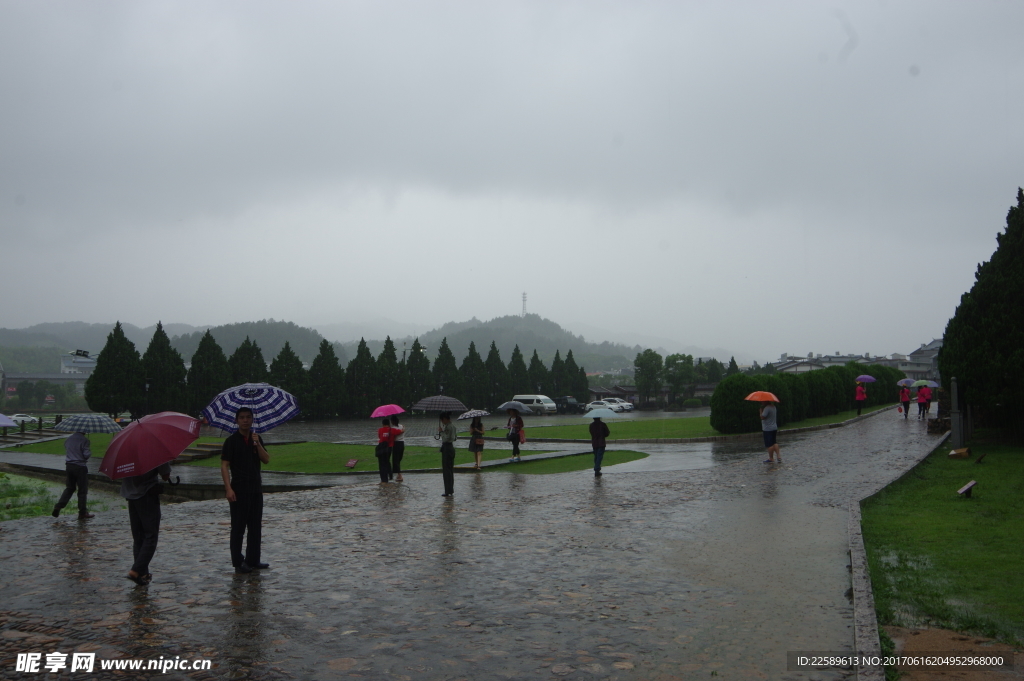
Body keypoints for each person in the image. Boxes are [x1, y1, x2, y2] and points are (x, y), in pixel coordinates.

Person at [220, 407, 270, 574]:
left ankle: (253, 559)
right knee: (238, 527)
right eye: (242, 417)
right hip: (239, 489)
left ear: (252, 419)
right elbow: (224, 465)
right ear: (237, 420)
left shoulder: (257, 439)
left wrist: (257, 444)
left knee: (255, 527)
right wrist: (228, 488)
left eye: (248, 417)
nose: (245, 420)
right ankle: (237, 561)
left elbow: (266, 460)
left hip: (255, 488)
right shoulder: (231, 441)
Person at [121, 462, 172, 585]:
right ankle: (136, 569)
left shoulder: (126, 453)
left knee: (138, 537)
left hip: (131, 496)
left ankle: (142, 574)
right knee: (151, 536)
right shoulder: (154, 450)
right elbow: (165, 475)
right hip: (147, 495)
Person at [51, 431, 94, 519]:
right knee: (82, 490)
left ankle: (59, 505)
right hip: (80, 467)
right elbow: (86, 455)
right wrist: (89, 451)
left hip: (69, 466)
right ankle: (82, 512)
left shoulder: (68, 439)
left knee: (70, 487)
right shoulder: (85, 440)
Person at [438, 412, 458, 496]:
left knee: (446, 470)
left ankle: (448, 490)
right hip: (451, 448)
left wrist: (441, 432)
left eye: (442, 420)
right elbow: (455, 438)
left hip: (447, 448)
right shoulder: (453, 426)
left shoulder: (448, 427)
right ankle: (450, 489)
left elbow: (446, 438)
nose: (442, 422)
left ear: (445, 419)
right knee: (450, 470)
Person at [375, 418, 393, 484]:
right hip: (389, 447)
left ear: (382, 424)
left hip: (381, 447)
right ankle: (390, 475)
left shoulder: (380, 430)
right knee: (387, 461)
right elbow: (400, 431)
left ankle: (384, 479)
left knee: (382, 464)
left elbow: (380, 437)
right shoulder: (391, 430)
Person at [389, 414, 405, 482]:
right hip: (402, 443)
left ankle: (399, 475)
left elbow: (394, 435)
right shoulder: (401, 426)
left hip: (396, 443)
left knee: (395, 460)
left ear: (392, 421)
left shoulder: (393, 428)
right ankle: (398, 474)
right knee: (398, 459)